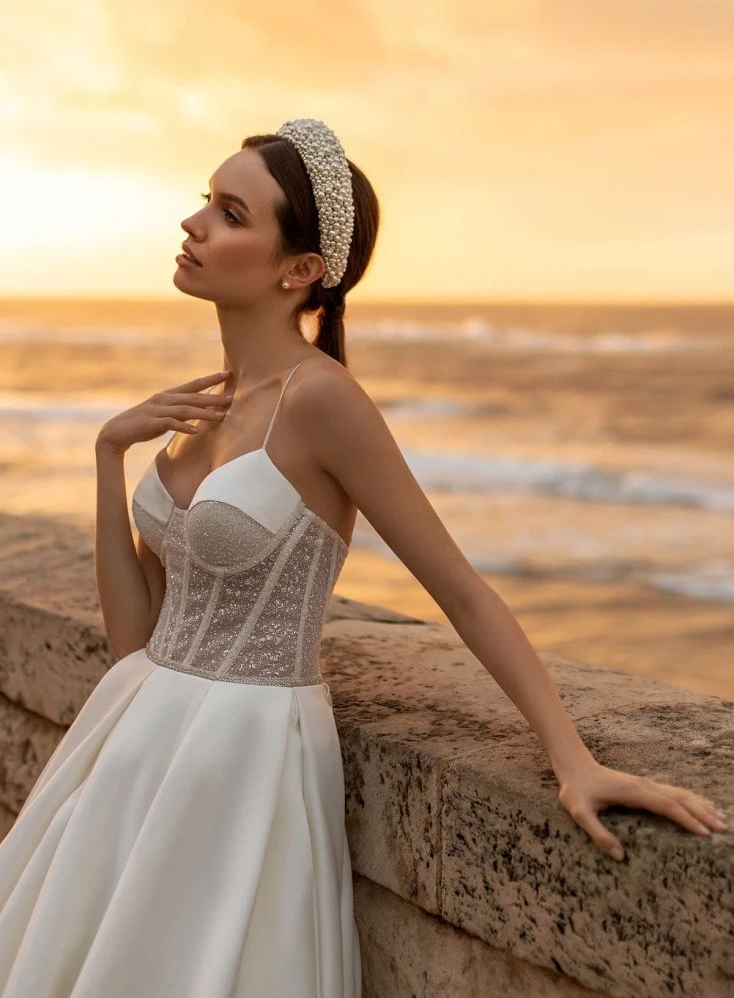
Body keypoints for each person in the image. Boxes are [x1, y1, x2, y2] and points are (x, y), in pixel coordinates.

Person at [0, 118, 727, 997]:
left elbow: (457, 585)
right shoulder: (213, 404)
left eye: (231, 213)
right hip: (136, 736)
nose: (195, 225)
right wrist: (109, 456)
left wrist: (572, 757)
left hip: (245, 751)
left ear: (299, 270)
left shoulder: (324, 402)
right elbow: (134, 640)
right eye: (206, 201)